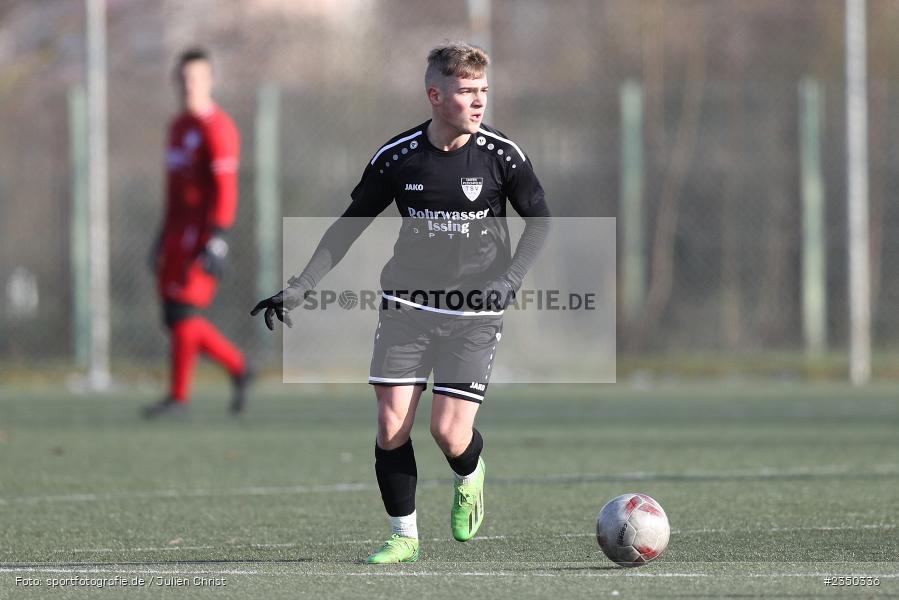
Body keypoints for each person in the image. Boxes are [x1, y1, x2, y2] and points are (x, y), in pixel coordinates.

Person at [252, 41, 550, 563]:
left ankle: (470, 471)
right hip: (407, 307)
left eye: (483, 91)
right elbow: (350, 226)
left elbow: (541, 221)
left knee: (447, 432)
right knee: (391, 425)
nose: (478, 102)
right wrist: (301, 284)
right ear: (436, 95)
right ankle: (403, 535)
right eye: (465, 92)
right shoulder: (398, 157)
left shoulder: (504, 155)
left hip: (474, 314)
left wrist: (510, 280)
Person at [144, 48, 252, 418]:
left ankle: (179, 397)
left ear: (209, 81)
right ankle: (239, 367)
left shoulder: (217, 127)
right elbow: (174, 189)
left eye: (197, 78)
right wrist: (162, 233)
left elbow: (226, 187)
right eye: (184, 78)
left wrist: (218, 234)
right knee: (174, 317)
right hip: (175, 231)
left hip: (202, 233)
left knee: (184, 310)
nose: (189, 85)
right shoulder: (178, 127)